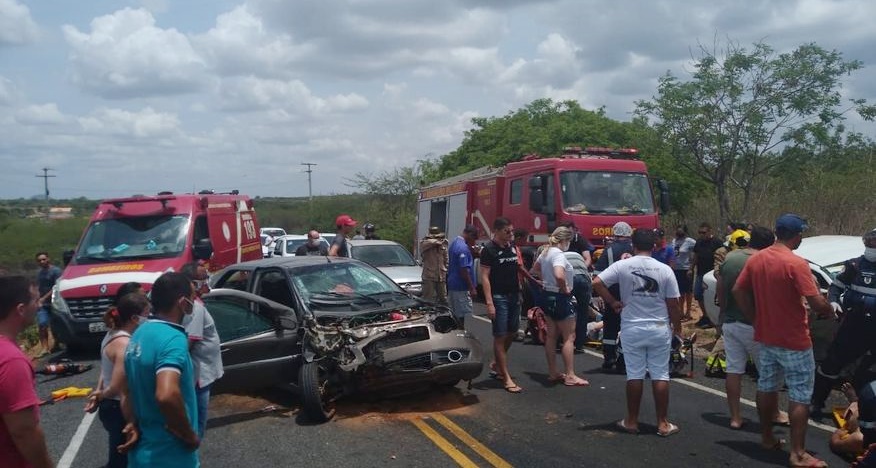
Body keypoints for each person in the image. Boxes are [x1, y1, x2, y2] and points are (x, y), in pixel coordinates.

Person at [733, 213, 834, 468]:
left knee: (767, 386)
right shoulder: (796, 263)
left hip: (767, 337)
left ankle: (767, 438)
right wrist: (830, 307)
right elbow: (816, 302)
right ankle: (798, 453)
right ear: (797, 235)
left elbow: (738, 290)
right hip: (794, 339)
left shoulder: (757, 259)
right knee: (800, 394)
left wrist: (755, 319)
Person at [592, 228, 682, 437]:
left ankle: (631, 421)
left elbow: (596, 282)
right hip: (659, 327)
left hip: (632, 327)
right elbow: (673, 304)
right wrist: (678, 328)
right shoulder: (664, 269)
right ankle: (662, 423)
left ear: (633, 246)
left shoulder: (623, 266)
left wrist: (613, 302)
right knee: (660, 374)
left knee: (634, 374)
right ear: (654, 246)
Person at [715, 226, 788, 430]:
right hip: (756, 324)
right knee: (767, 374)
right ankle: (770, 414)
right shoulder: (763, 261)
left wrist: (722, 313)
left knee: (734, 370)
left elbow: (720, 287)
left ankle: (735, 417)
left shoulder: (730, 258)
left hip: (730, 322)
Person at [124, 272, 200, 467]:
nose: (195, 303)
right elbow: (166, 394)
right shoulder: (173, 339)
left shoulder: (138, 334)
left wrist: (132, 421)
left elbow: (129, 390)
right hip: (170, 454)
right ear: (183, 303)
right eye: (192, 298)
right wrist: (189, 435)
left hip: (142, 453)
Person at [811, 228, 876, 415]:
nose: (872, 246)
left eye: (875, 243)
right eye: (869, 242)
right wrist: (833, 302)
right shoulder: (854, 265)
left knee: (868, 372)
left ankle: (864, 407)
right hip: (854, 324)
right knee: (832, 363)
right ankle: (817, 401)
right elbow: (836, 287)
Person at [85, 285, 151, 468]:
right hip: (118, 408)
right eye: (147, 314)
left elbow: (106, 372)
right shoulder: (124, 344)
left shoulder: (111, 334)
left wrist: (99, 392)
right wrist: (101, 394)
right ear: (134, 318)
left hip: (111, 406)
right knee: (122, 457)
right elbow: (118, 386)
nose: (149, 318)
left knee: (120, 454)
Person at [0, 276, 53, 468]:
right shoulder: (11, 360)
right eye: (35, 300)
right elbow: (23, 431)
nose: (39, 306)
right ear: (21, 309)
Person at [531, 226, 590, 387]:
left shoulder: (545, 252)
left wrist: (544, 281)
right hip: (560, 296)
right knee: (569, 336)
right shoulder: (558, 255)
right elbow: (559, 274)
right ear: (564, 240)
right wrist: (565, 288)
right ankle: (570, 374)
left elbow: (535, 270)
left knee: (551, 335)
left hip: (547, 295)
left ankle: (552, 372)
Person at [181, 262, 223, 440]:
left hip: (201, 374)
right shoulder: (195, 309)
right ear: (192, 283)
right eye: (203, 277)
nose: (207, 280)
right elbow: (189, 342)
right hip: (199, 376)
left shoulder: (195, 304)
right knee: (196, 426)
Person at [481, 217, 524, 394]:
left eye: (512, 231)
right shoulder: (489, 250)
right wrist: (489, 302)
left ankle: (497, 363)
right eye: (507, 231)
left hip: (514, 295)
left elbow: (518, 270)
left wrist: (521, 291)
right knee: (500, 335)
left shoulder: (512, 247)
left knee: (512, 332)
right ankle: (505, 376)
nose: (510, 235)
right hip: (499, 297)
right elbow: (484, 277)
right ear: (497, 231)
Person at [593, 221, 634, 372]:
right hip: (633, 296)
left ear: (615, 234)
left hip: (613, 294)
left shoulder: (609, 250)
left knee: (610, 327)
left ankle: (609, 358)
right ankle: (624, 360)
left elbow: (597, 276)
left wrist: (604, 297)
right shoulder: (636, 249)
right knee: (628, 327)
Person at [691, 223, 723, 329]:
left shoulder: (717, 242)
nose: (701, 235)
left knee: (711, 296)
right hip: (700, 273)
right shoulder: (699, 242)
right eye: (700, 233)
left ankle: (713, 317)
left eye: (704, 232)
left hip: (712, 275)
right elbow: (696, 255)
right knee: (698, 294)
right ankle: (705, 316)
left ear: (710, 231)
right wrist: (691, 268)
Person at [447, 225, 479, 328]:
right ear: (469, 235)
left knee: (455, 312)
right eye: (474, 238)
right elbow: (464, 270)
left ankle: (455, 333)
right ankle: (461, 335)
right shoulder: (463, 248)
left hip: (453, 284)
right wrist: (472, 287)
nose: (474, 241)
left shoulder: (455, 242)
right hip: (461, 286)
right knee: (463, 314)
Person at [565, 250, 593, 352]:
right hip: (584, 279)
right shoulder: (578, 255)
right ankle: (580, 344)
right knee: (583, 312)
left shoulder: (559, 256)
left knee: (564, 310)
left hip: (571, 278)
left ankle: (566, 340)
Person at [35, 252, 61, 356]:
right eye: (40, 260)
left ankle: (57, 344)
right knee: (42, 324)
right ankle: (45, 348)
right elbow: (38, 287)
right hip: (43, 304)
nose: (42, 262)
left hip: (54, 302)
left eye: (44, 259)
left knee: (55, 325)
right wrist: (37, 299)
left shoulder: (56, 271)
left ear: (48, 259)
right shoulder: (40, 273)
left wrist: (44, 298)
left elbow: (56, 287)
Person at [672, 226, 696, 321]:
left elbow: (697, 251)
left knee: (688, 291)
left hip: (686, 269)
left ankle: (688, 312)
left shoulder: (690, 241)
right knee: (680, 292)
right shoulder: (674, 241)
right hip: (676, 269)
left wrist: (691, 266)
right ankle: (681, 311)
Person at [420, 227, 449, 304]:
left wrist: (445, 268)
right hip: (429, 275)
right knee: (427, 298)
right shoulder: (424, 242)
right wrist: (437, 242)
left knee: (443, 298)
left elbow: (446, 258)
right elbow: (427, 244)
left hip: (441, 275)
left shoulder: (443, 244)